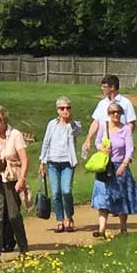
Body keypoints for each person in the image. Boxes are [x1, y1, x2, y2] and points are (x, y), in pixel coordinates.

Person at [88, 99, 137, 238]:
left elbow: (130, 150)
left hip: (120, 166)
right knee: (102, 198)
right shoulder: (104, 126)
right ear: (108, 114)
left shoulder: (125, 129)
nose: (115, 114)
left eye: (118, 112)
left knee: (121, 198)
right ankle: (102, 229)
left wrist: (124, 165)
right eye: (112, 112)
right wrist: (102, 148)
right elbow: (97, 142)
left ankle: (123, 228)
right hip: (105, 166)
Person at [0, 105, 30, 261]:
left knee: (14, 215)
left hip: (11, 179)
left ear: (4, 119)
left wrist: (21, 179)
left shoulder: (15, 135)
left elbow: (24, 159)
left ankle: (23, 247)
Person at [39, 98, 80, 232]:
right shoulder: (52, 124)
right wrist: (42, 162)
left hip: (68, 162)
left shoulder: (74, 124)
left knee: (66, 190)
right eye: (62, 108)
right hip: (52, 162)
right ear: (57, 110)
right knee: (56, 192)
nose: (65, 111)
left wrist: (71, 121)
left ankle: (69, 216)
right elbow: (46, 142)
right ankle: (60, 220)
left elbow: (77, 131)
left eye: (68, 108)